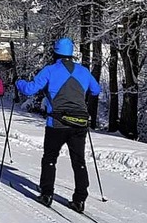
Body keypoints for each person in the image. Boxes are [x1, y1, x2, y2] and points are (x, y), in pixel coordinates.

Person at [16, 37, 100, 212]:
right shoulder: (83, 71)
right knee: (79, 161)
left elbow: (30, 89)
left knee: (50, 158)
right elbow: (96, 90)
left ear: (55, 52)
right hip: (80, 123)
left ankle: (47, 194)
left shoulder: (50, 70)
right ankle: (80, 199)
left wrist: (19, 82)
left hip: (57, 122)